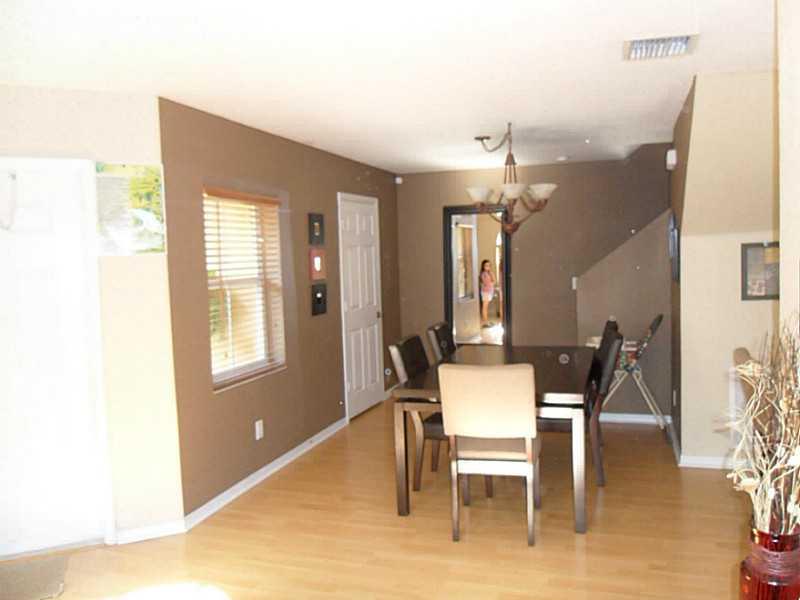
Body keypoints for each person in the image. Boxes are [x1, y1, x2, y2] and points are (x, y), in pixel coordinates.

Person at [479, 259, 496, 327]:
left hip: (489, 292)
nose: (488, 267)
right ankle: (485, 323)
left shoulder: (489, 273)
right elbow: (488, 283)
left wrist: (491, 273)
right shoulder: (483, 274)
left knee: (486, 307)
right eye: (486, 265)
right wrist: (492, 283)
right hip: (485, 292)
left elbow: (494, 280)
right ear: (483, 266)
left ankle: (486, 322)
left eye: (489, 265)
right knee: (485, 307)